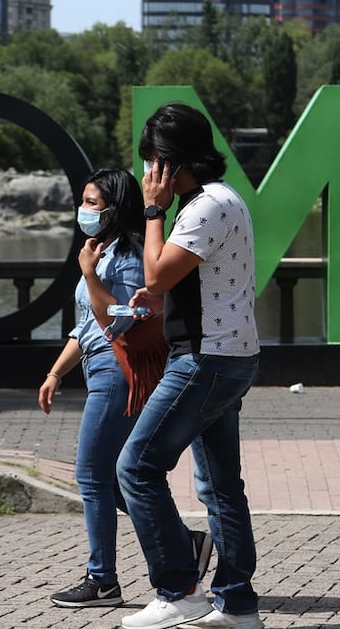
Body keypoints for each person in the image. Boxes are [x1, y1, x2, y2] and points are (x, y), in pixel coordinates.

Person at [38, 167, 212, 610]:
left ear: (115, 208)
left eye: (91, 203)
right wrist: (55, 373)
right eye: (83, 201)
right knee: (116, 477)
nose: (83, 210)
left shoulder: (130, 255)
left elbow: (118, 321)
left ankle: (103, 580)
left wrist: (89, 275)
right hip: (97, 367)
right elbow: (84, 328)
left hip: (119, 371)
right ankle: (184, 543)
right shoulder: (101, 251)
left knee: (91, 476)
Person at [117, 103, 263, 629]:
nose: (146, 173)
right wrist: (161, 303)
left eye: (151, 161)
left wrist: (153, 212)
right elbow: (192, 280)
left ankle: (179, 588)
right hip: (231, 356)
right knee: (221, 486)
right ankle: (238, 605)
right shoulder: (224, 199)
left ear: (170, 162)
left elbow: (156, 274)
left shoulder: (204, 207)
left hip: (205, 360)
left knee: (136, 467)